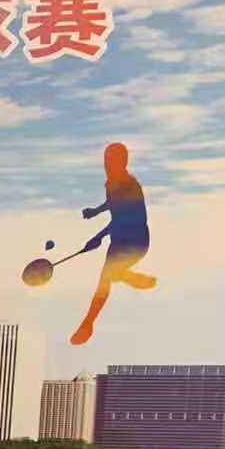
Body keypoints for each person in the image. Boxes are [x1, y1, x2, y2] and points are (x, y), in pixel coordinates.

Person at [71, 141, 155, 345]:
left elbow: (121, 219)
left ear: (123, 162)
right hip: (120, 240)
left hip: (136, 242)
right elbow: (113, 203)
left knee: (107, 278)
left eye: (111, 161)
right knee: (106, 279)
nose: (107, 165)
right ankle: (88, 323)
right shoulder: (111, 184)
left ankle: (90, 320)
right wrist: (96, 211)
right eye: (106, 160)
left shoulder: (130, 186)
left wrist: (98, 237)